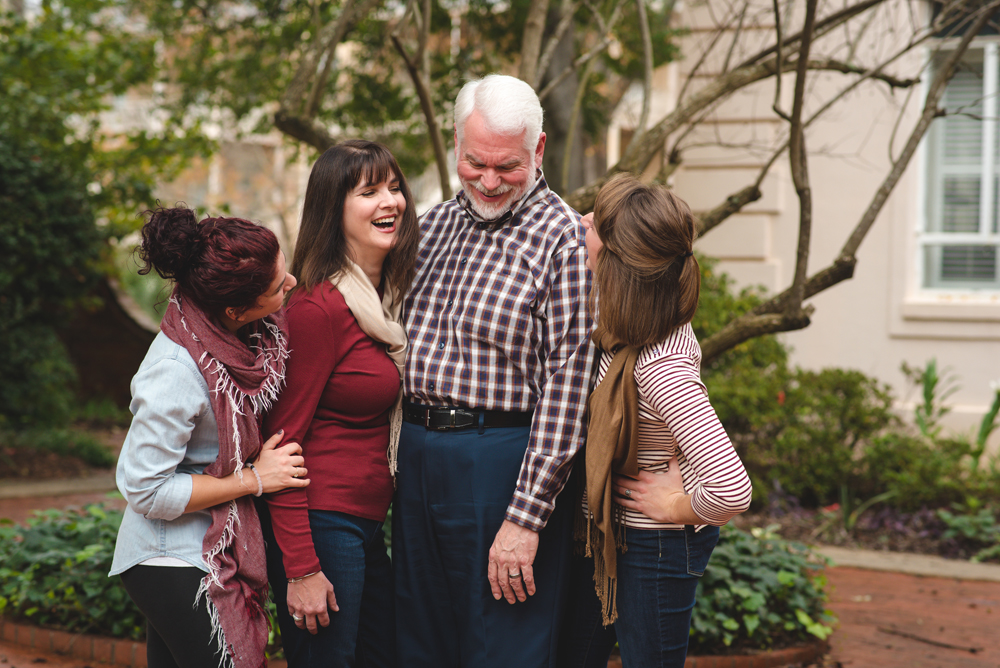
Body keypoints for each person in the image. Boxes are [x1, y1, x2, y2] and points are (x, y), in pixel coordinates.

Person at [395, 74, 594, 667]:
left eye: (506, 166)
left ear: (537, 151)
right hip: (417, 450)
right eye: (474, 162)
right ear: (457, 144)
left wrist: (525, 518)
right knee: (420, 636)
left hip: (501, 455)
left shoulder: (565, 240)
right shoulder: (429, 226)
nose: (487, 180)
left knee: (502, 639)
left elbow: (569, 386)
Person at [559, 174, 753, 668]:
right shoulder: (627, 324)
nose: (582, 222)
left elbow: (732, 488)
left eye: (597, 224)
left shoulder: (658, 367)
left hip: (655, 544)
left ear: (621, 267)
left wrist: (675, 505)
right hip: (608, 534)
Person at [109, 207, 307, 668]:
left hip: (209, 546)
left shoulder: (248, 338)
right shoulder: (175, 371)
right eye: (279, 286)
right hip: (170, 558)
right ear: (236, 310)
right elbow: (145, 488)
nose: (292, 283)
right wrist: (255, 479)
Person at [260, 140, 419, 668]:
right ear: (334, 210)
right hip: (323, 522)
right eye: (369, 191)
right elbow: (281, 445)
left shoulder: (387, 301)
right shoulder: (316, 308)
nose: (390, 202)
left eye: (395, 188)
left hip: (365, 524)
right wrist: (302, 568)